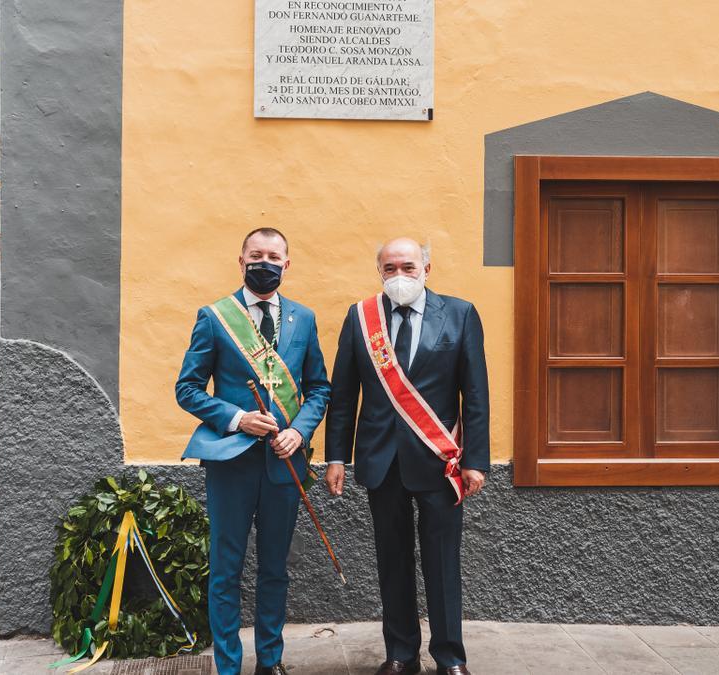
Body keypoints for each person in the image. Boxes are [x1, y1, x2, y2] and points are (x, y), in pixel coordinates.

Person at [325, 237, 490, 675]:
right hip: (382, 461)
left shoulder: (459, 314)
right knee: (392, 562)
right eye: (390, 267)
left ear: (427, 269)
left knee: (443, 563)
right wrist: (336, 457)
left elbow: (475, 395)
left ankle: (450, 657)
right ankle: (400, 654)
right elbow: (343, 394)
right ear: (379, 271)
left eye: (409, 267)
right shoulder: (361, 318)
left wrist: (476, 460)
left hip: (440, 463)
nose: (400, 275)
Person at [176, 227, 331, 675]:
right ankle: (227, 666)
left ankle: (270, 662)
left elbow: (319, 388)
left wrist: (299, 431)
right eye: (256, 255)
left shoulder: (304, 318)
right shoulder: (215, 316)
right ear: (242, 261)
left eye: (274, 256)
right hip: (232, 465)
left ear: (287, 263)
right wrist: (235, 418)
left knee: (274, 570)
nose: (265, 262)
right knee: (226, 570)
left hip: (285, 465)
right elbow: (187, 389)